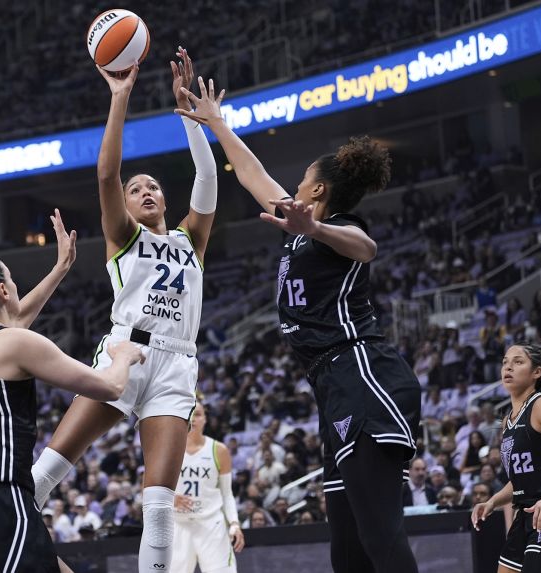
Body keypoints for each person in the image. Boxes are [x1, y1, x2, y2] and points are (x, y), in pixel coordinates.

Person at [177, 78, 421, 573]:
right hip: (331, 387)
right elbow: (252, 174)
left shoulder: (340, 228)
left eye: (303, 179)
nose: (294, 187)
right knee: (347, 551)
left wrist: (316, 228)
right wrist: (215, 122)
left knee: (380, 535)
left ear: (319, 190)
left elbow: (367, 249)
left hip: (364, 375)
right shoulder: (294, 220)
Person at [30, 47, 218, 572]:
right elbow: (106, 174)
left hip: (177, 364)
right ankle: (4, 552)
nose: (145, 191)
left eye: (153, 186)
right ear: (128, 205)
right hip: (125, 353)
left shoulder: (191, 238)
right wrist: (120, 97)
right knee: (43, 476)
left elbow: (207, 179)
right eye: (136, 190)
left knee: (158, 507)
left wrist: (191, 119)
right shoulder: (123, 236)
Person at [0, 211, 145, 573]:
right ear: (3, 291)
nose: (17, 286)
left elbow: (16, 322)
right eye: (12, 280)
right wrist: (124, 356)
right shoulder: (13, 343)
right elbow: (111, 387)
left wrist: (60, 268)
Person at [471, 344, 541, 573]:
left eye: (518, 361)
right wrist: (493, 502)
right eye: (505, 362)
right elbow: (521, 478)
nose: (508, 367)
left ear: (537, 372)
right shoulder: (507, 421)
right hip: (524, 516)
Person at [172, 402, 245, 573]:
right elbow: (148, 488)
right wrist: (169, 498)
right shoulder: (168, 449)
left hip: (211, 525)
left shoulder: (219, 450)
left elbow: (227, 494)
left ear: (205, 419)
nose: (192, 418)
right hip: (177, 524)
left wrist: (234, 523)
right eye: (188, 413)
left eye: (197, 414)